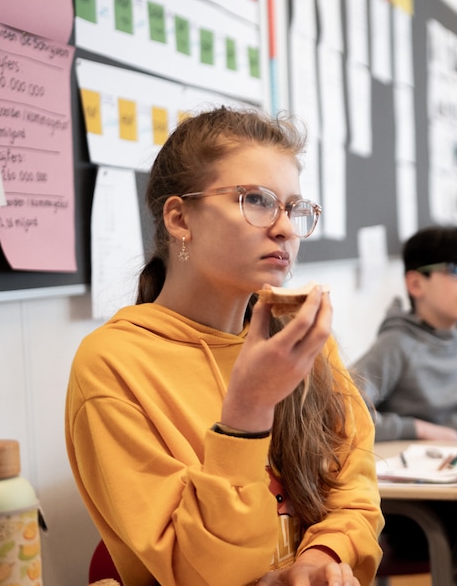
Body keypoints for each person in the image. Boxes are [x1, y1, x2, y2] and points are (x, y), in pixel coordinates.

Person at [66, 107, 382, 586]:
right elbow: (197, 573)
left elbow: (353, 490)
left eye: (293, 208)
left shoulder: (296, 337)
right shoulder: (114, 364)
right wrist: (248, 408)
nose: (285, 229)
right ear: (179, 218)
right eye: (256, 200)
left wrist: (321, 556)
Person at [354, 225, 457, 442]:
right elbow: (343, 413)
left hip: (456, 460)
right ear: (416, 284)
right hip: (408, 466)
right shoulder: (397, 343)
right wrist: (417, 429)